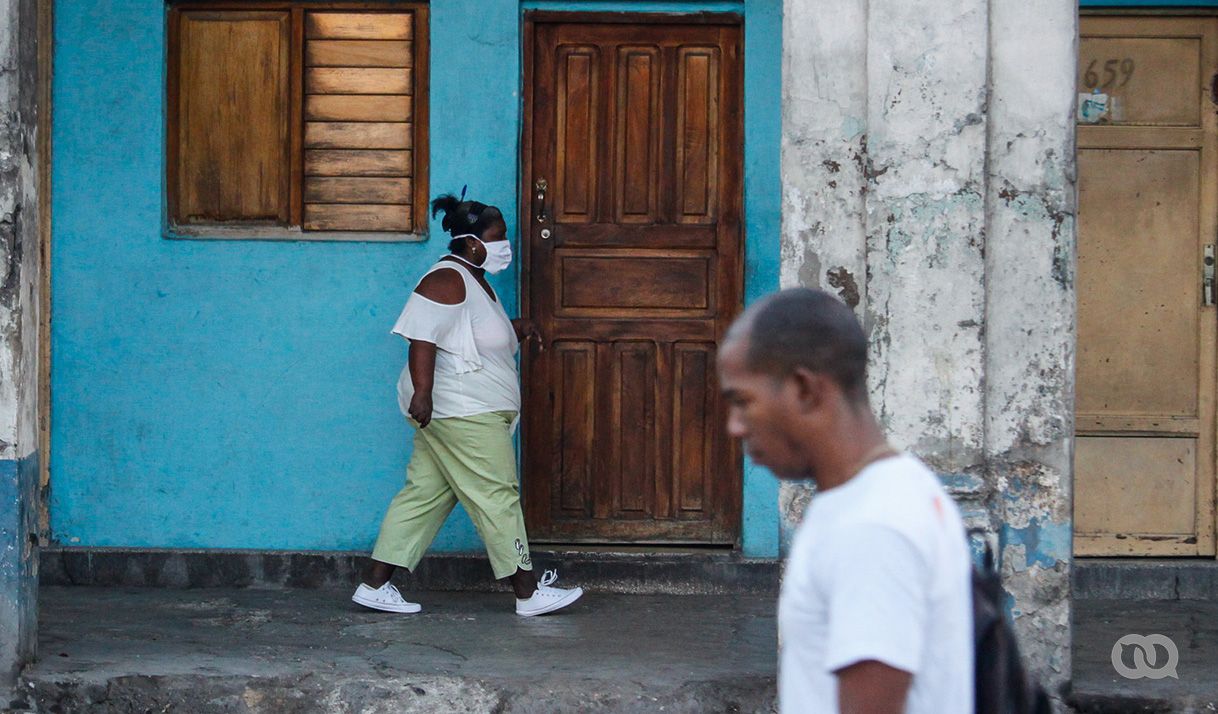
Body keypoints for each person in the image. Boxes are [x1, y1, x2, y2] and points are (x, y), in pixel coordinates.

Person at [716, 288, 973, 714]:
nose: (735, 427)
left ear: (803, 389)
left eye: (743, 402)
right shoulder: (897, 487)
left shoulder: (870, 527)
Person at [351, 192, 583, 617]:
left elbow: (471, 338)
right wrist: (423, 393)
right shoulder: (446, 279)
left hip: (462, 411)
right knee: (497, 494)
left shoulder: (474, 279)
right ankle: (528, 592)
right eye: (499, 237)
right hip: (462, 412)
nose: (505, 245)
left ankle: (374, 585)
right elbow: (422, 336)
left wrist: (519, 328)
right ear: (473, 242)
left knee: (424, 496)